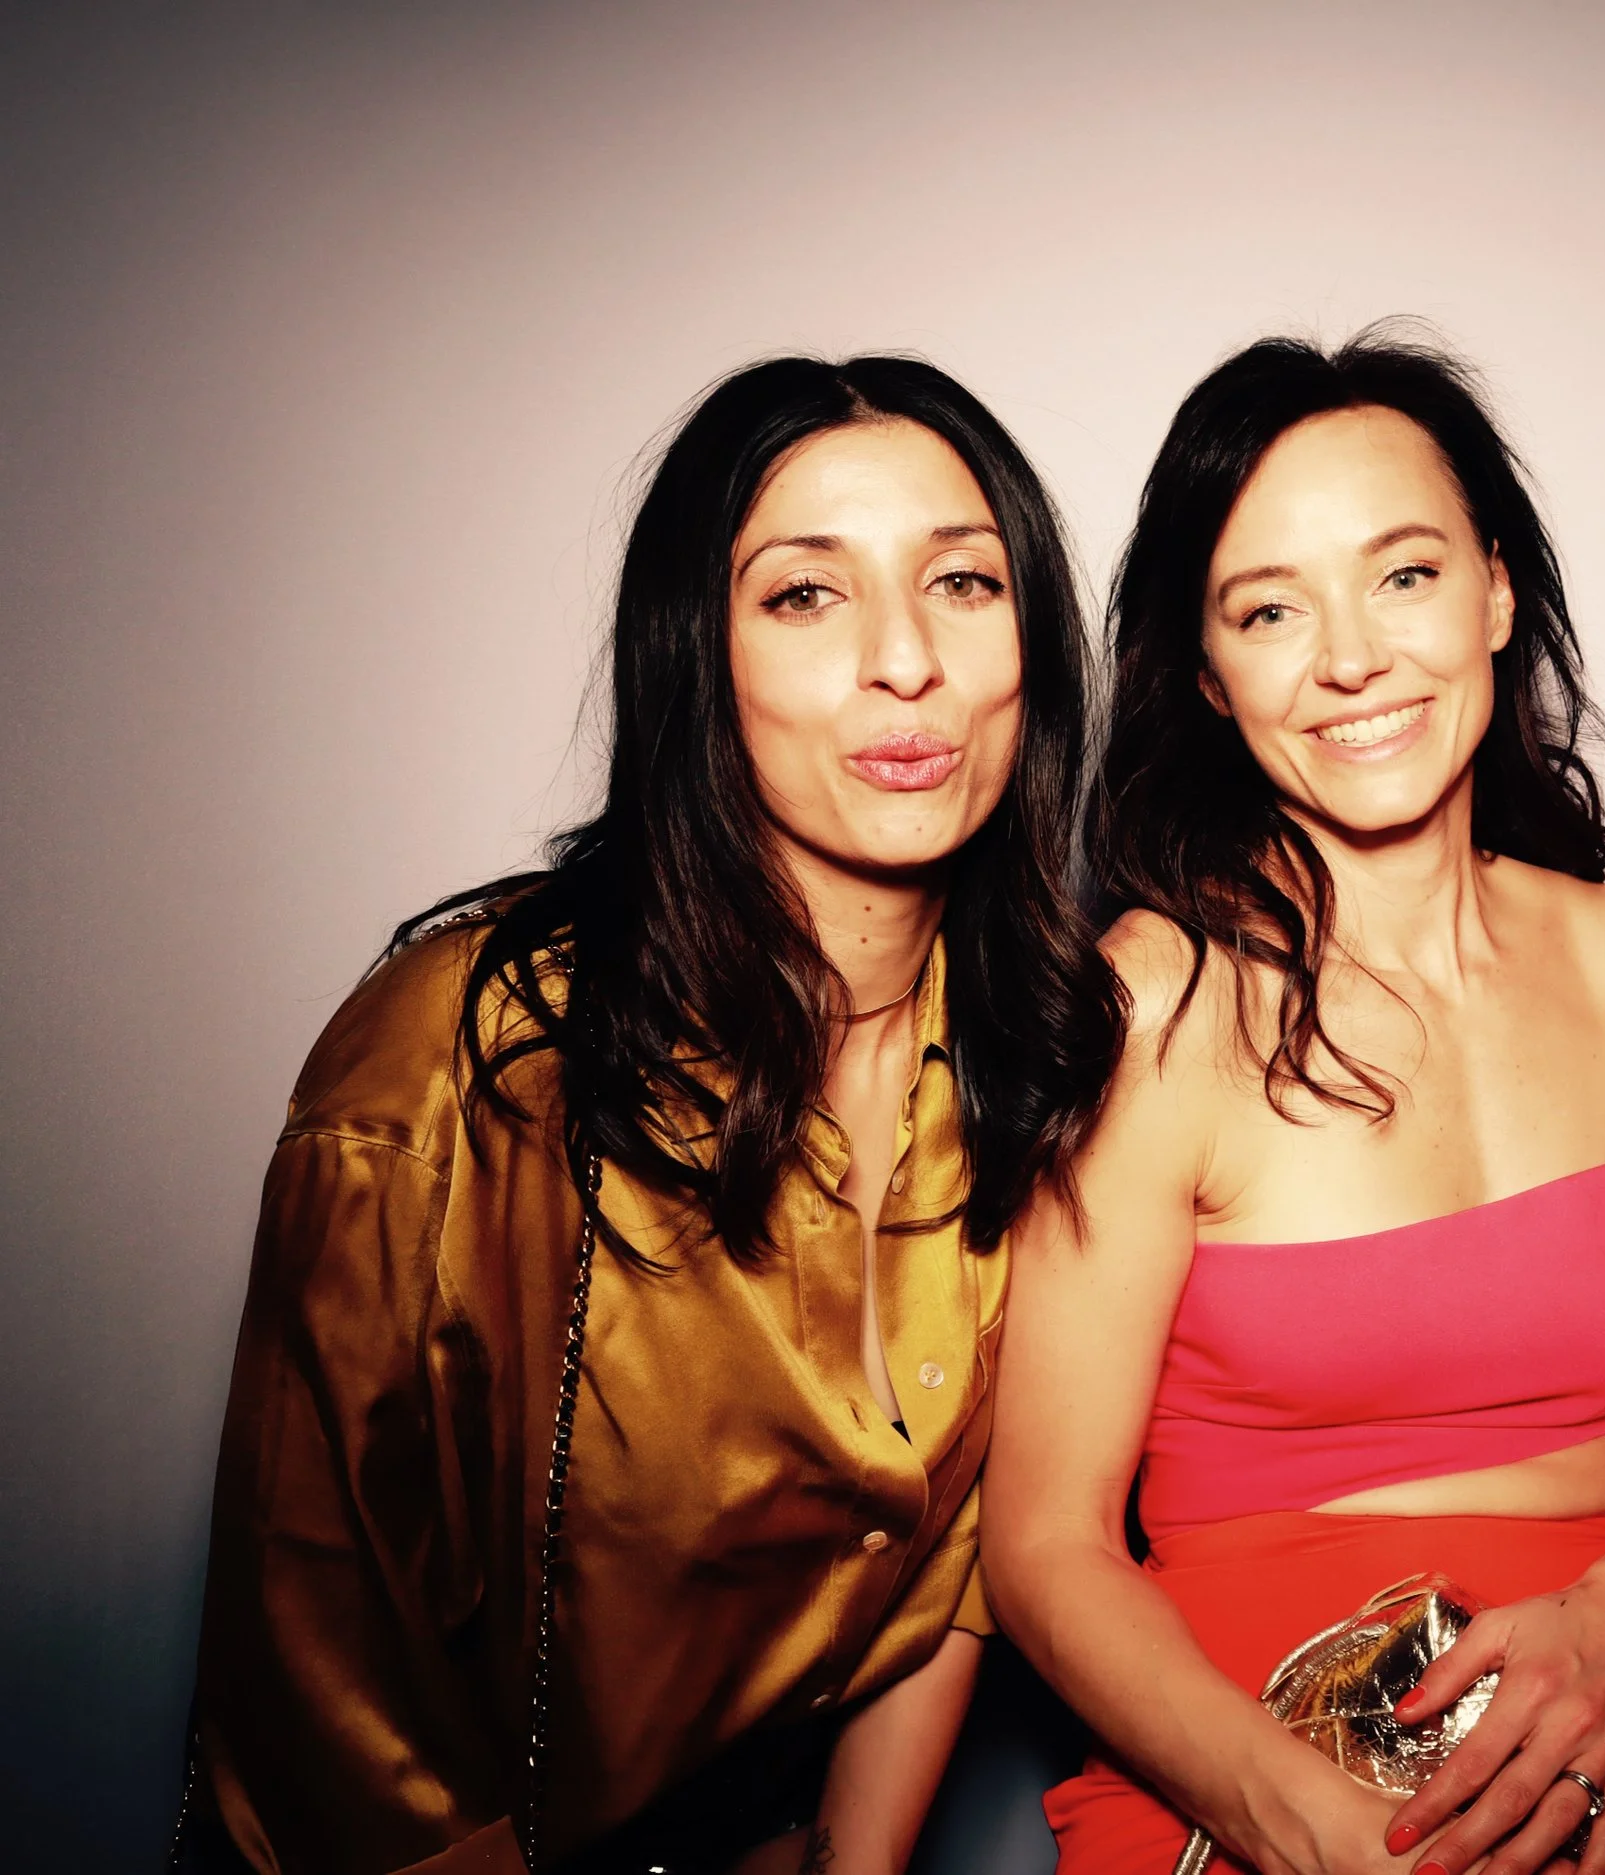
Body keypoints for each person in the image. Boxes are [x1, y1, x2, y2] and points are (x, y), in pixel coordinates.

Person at [182, 355, 1121, 1874]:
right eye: (805, 594)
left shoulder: (1045, 1049)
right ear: (697, 654)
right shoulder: (466, 1064)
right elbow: (319, 1683)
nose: (906, 660)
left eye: (963, 582)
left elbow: (952, 1562)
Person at [982, 332, 1605, 1875]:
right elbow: (1044, 1547)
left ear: (1495, 593)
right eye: (1270, 610)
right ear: (1209, 676)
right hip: (1237, 1783)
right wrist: (1314, 1828)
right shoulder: (1152, 1007)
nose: (1350, 658)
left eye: (1403, 574)